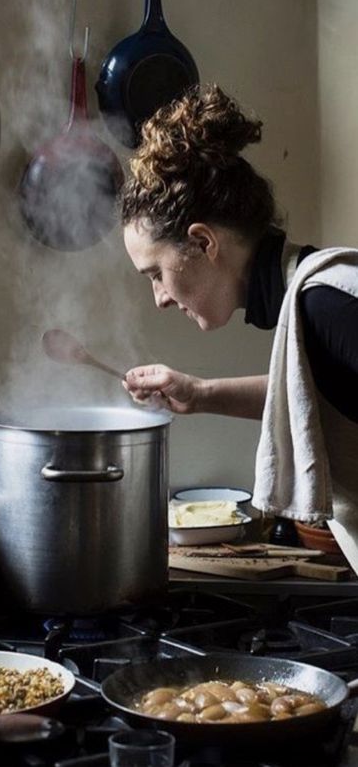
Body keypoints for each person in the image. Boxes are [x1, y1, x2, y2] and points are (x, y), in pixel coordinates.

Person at [120, 84, 358, 563]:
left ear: (204, 243)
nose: (161, 298)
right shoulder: (313, 302)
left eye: (157, 274)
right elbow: (313, 395)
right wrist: (200, 392)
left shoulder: (327, 306)